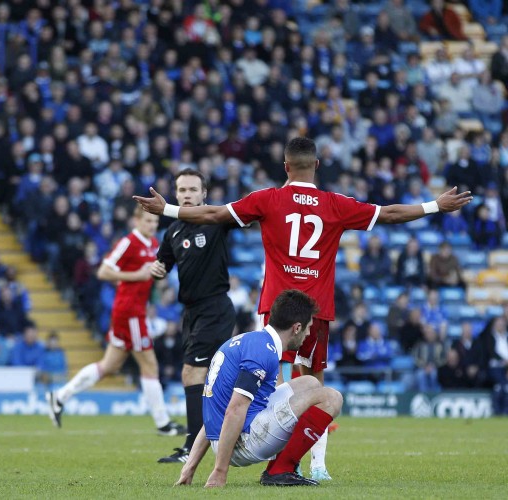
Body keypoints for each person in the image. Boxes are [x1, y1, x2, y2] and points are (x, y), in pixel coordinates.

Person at [135, 137, 472, 478]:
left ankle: (255, 453)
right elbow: (389, 214)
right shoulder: (334, 203)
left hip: (277, 310)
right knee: (315, 386)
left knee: (270, 385)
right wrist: (434, 206)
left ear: (285, 167)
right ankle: (313, 464)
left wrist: (167, 209)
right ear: (317, 166)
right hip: (315, 311)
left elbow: (213, 213)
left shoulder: (267, 199)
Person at [174, 289, 341, 488]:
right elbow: (234, 409)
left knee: (310, 383)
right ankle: (281, 470)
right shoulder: (263, 353)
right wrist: (220, 471)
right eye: (307, 328)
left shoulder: (248, 341)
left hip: (223, 437)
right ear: (296, 327)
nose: (307, 335)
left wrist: (189, 467)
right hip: (241, 443)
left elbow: (215, 410)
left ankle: (281, 467)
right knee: (332, 398)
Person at [47, 206, 185, 436]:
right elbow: (103, 271)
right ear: (136, 220)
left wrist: (156, 274)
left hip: (134, 310)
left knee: (109, 365)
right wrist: (136, 276)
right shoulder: (128, 242)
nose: (152, 225)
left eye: (155, 222)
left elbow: (148, 274)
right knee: (149, 364)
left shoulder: (152, 244)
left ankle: (60, 397)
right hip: (129, 312)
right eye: (148, 221)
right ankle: (163, 423)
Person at [144, 170, 237, 463]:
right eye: (181, 189)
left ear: (204, 194)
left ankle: (190, 448)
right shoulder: (172, 232)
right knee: (210, 377)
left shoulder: (216, 222)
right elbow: (162, 265)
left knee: (192, 373)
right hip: (192, 312)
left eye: (192, 190)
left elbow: (239, 217)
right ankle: (227, 433)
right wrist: (156, 270)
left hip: (214, 307)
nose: (186, 194)